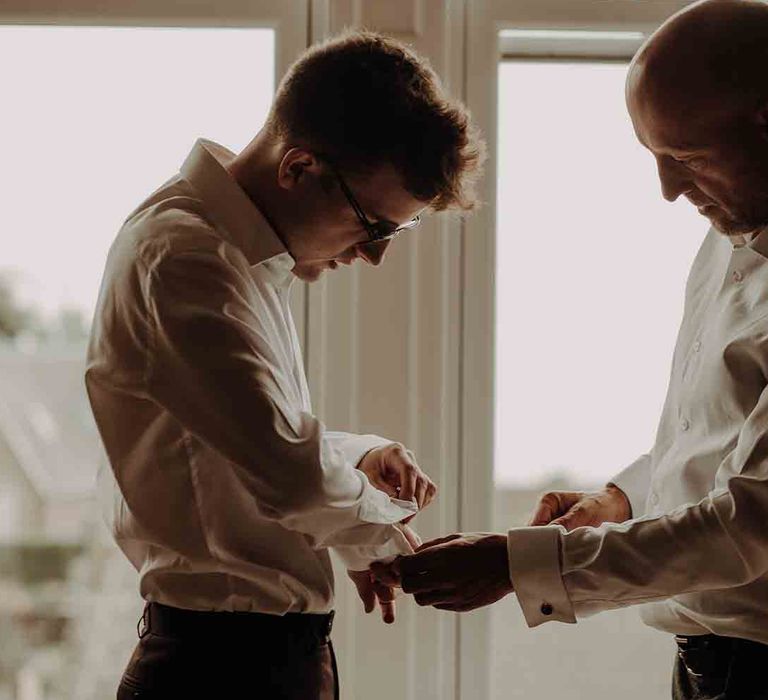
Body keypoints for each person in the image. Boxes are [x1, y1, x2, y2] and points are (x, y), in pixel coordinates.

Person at [372, 1, 768, 698]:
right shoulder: (728, 239)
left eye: (687, 158)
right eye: (655, 158)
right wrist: (621, 498)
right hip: (709, 664)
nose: (669, 190)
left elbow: (752, 525)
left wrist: (515, 564)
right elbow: (719, 434)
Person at [85, 31, 484, 699]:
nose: (376, 255)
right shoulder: (188, 259)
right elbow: (290, 478)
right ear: (298, 168)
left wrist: (357, 462)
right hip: (220, 674)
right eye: (374, 225)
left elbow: (227, 453)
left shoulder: (231, 260)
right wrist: (379, 532)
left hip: (249, 663)